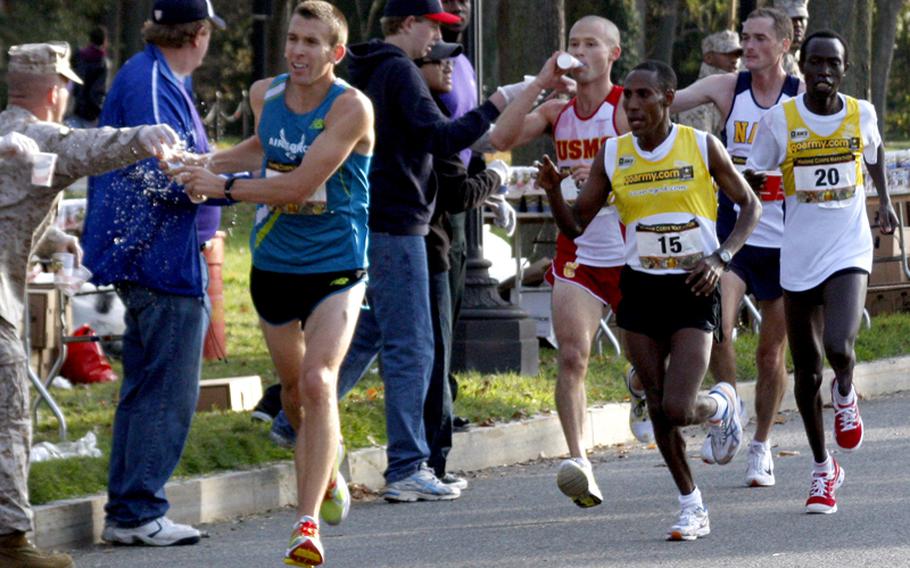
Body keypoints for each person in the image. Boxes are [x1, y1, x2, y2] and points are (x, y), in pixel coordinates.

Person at [178, 2, 373, 564]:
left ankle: (306, 525)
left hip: (337, 264)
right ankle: (328, 467)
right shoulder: (265, 92)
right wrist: (198, 162)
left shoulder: (352, 109)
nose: (298, 52)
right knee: (292, 395)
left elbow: (298, 185)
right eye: (292, 39)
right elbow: (261, 147)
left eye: (312, 43)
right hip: (274, 265)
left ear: (335, 53)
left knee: (318, 381)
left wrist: (222, 186)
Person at [537, 60, 760, 540]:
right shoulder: (613, 155)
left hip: (693, 287)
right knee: (657, 404)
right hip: (639, 286)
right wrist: (556, 193)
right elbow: (575, 224)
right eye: (628, 97)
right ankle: (690, 504)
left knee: (680, 407)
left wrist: (722, 257)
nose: (632, 105)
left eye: (643, 96)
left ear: (667, 97)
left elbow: (750, 206)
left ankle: (721, 407)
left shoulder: (701, 146)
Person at [0, 41, 178, 568]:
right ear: (55, 91)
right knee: (9, 417)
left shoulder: (10, 133)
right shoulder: (36, 135)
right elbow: (89, 148)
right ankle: (10, 542)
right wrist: (142, 138)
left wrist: (53, 237)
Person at [333, 0, 512, 503]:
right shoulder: (400, 71)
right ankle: (408, 466)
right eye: (432, 26)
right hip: (400, 224)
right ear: (409, 24)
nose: (436, 38)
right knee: (413, 348)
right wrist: (497, 102)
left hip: (376, 218)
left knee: (367, 331)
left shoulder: (370, 68)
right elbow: (442, 137)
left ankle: (294, 415)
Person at [488, 15, 653, 509]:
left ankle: (640, 387)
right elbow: (501, 137)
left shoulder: (626, 108)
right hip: (577, 250)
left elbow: (654, 162)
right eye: (573, 43)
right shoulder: (558, 111)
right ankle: (579, 460)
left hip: (629, 250)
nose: (579, 52)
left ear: (613, 54)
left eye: (591, 44)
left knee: (646, 360)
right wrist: (539, 84)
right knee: (572, 356)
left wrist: (604, 171)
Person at [80, 0, 226, 547]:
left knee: (147, 387)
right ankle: (138, 510)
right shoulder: (150, 82)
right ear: (201, 33)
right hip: (160, 260)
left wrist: (215, 173)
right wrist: (229, 185)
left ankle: (130, 509)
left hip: (158, 255)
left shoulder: (152, 74)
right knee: (167, 391)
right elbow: (160, 173)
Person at [745, 30, 895, 514]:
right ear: (801, 67)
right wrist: (732, 193)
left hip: (848, 248)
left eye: (832, 63)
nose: (823, 72)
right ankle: (821, 469)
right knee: (807, 371)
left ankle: (846, 390)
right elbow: (756, 172)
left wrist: (885, 202)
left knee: (838, 347)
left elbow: (873, 152)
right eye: (815, 63)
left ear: (844, 70)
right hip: (799, 254)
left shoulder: (861, 113)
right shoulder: (780, 121)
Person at [671, 7, 803, 487]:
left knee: (771, 353)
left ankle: (762, 445)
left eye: (760, 39)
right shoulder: (729, 87)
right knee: (718, 329)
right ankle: (728, 408)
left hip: (789, 241)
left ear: (784, 45)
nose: (749, 47)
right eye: (745, 38)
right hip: (736, 234)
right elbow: (667, 100)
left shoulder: (801, 97)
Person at [415, 40, 512, 489]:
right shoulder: (431, 112)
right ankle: (431, 462)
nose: (451, 66)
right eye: (440, 59)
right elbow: (455, 193)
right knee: (434, 353)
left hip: (403, 238)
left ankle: (413, 461)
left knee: (405, 351)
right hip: (429, 243)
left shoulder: (402, 97)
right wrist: (497, 178)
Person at [676, 30, 742, 136]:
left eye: (738, 55)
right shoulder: (696, 99)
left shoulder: (742, 93)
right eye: (727, 54)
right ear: (708, 58)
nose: (735, 60)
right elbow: (700, 149)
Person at [67, 25, 110, 128]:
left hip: (75, 108)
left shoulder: (78, 56)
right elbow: (97, 91)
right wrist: (98, 112)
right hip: (90, 115)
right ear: (104, 41)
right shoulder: (102, 63)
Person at [774, 0, 809, 78]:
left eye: (801, 19)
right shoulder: (769, 59)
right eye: (792, 19)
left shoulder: (809, 56)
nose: (798, 24)